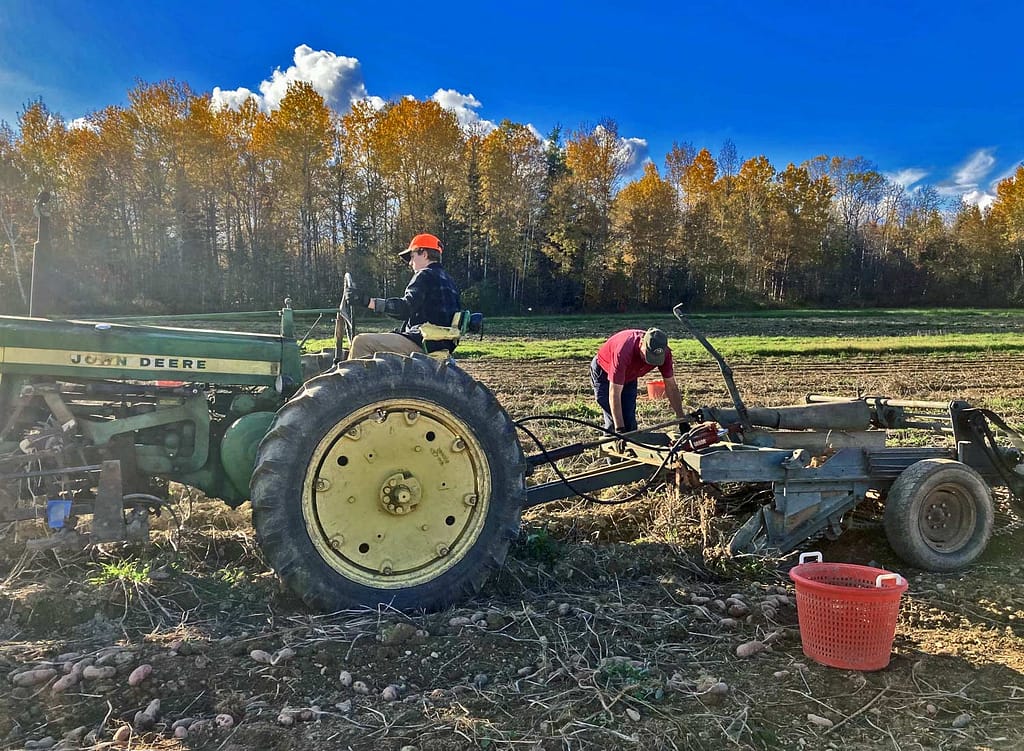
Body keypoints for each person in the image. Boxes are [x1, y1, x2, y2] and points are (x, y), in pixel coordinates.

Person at [347, 233, 462, 359]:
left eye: (412, 257)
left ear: (424, 254)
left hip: (422, 341)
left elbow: (405, 308)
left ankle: (354, 378)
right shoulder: (450, 281)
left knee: (361, 342)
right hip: (441, 343)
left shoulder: (424, 275)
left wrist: (368, 302)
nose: (410, 263)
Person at [590, 328, 687, 435]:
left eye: (656, 358)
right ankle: (611, 444)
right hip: (604, 372)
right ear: (641, 344)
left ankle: (632, 445)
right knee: (613, 421)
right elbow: (614, 394)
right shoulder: (624, 351)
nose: (649, 361)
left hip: (630, 375)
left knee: (629, 420)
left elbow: (671, 387)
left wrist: (682, 420)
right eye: (648, 356)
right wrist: (620, 430)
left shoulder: (665, 354)